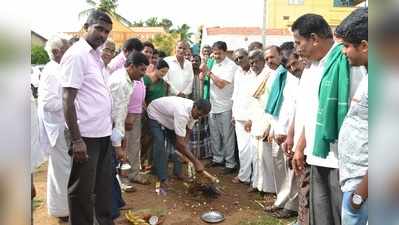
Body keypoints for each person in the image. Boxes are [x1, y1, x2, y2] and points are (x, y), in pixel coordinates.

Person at [290, 13, 366, 225]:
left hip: (341, 160)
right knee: (320, 215)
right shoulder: (313, 66)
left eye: (299, 42)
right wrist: (300, 145)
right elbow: (311, 112)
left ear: (314, 38)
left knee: (339, 216)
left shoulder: (348, 62)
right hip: (317, 153)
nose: (297, 48)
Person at [60, 10, 114, 225]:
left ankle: (103, 221)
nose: (103, 35)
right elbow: (67, 98)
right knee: (81, 189)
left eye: (107, 32)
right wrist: (76, 139)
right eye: (99, 29)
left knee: (102, 184)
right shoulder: (76, 55)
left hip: (102, 132)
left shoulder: (95, 56)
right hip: (85, 135)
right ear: (86, 27)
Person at [339, 8, 368, 225]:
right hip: (357, 182)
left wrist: (359, 196)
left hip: (365, 189)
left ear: (364, 46)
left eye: (347, 46)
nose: (343, 52)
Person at [37, 35, 71, 223]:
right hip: (56, 128)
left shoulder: (59, 68)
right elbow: (49, 103)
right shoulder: (52, 71)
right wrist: (70, 102)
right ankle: (62, 210)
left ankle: (61, 207)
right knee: (61, 169)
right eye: (66, 50)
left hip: (61, 125)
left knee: (61, 168)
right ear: (57, 52)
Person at [265, 42, 299, 219]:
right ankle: (281, 200)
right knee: (279, 169)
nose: (269, 61)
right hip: (277, 130)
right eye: (267, 58)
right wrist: (272, 127)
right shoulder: (277, 76)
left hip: (288, 133)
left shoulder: (294, 76)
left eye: (272, 57)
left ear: (281, 56)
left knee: (291, 171)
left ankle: (292, 205)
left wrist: (286, 132)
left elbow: (293, 108)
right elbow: (274, 105)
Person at [147, 97, 209, 189]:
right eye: (199, 114)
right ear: (194, 107)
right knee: (160, 143)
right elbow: (180, 143)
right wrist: (196, 162)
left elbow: (188, 131)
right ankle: (162, 178)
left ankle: (177, 172)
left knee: (181, 147)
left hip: (170, 119)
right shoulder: (182, 113)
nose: (199, 117)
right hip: (155, 114)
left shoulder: (196, 112)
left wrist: (185, 148)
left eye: (201, 116)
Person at [100, 39, 127, 219]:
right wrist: (118, 144)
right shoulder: (117, 80)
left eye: (112, 50)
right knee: (106, 171)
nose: (108, 53)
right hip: (100, 129)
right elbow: (115, 112)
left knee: (109, 169)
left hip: (108, 128)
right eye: (106, 49)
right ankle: (110, 209)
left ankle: (116, 203)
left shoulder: (106, 71)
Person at [245, 49, 275, 194]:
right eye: (251, 62)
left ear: (263, 61)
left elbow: (270, 103)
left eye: (256, 61)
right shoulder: (253, 77)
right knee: (255, 155)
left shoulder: (269, 75)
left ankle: (268, 189)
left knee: (266, 157)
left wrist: (269, 124)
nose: (253, 64)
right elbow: (252, 102)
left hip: (265, 120)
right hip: (255, 120)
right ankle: (257, 184)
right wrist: (249, 119)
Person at [205, 41, 238, 174]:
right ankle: (218, 158)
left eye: (218, 53)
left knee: (227, 136)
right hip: (213, 105)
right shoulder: (212, 62)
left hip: (226, 106)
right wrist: (205, 72)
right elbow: (205, 78)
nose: (216, 55)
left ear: (225, 51)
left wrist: (209, 73)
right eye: (214, 53)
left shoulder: (231, 66)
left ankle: (230, 163)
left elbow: (221, 84)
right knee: (215, 135)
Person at [231, 48, 254, 184]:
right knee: (243, 148)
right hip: (239, 114)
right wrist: (234, 114)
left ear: (247, 56)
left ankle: (254, 179)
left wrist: (250, 118)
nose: (239, 61)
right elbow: (236, 94)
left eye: (241, 57)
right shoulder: (238, 73)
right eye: (236, 59)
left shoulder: (256, 72)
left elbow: (256, 98)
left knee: (253, 149)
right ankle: (244, 176)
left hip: (251, 117)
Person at [189, 54, 212, 159]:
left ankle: (202, 154)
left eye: (196, 61)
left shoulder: (203, 76)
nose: (194, 62)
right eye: (192, 61)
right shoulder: (187, 75)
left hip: (203, 108)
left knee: (202, 132)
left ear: (200, 62)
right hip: (192, 109)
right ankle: (191, 154)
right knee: (191, 132)